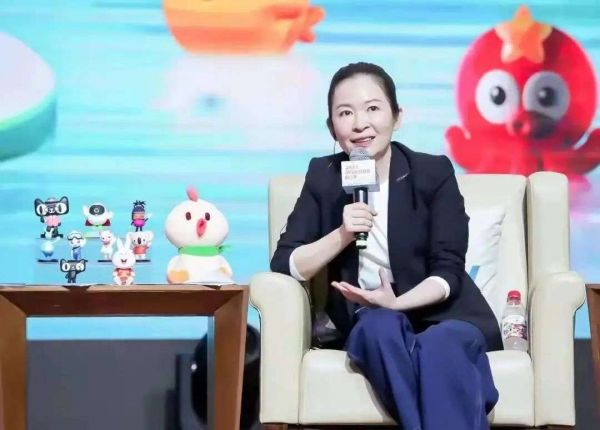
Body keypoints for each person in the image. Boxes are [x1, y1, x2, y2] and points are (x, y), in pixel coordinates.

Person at [270, 62, 502, 429]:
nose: (360, 124)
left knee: (442, 346)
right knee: (379, 328)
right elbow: (285, 263)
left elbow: (448, 272)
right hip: (372, 318)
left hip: (445, 314)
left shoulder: (432, 173)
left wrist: (397, 302)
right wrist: (342, 234)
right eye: (345, 113)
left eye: (373, 108)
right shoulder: (323, 177)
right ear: (331, 127)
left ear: (397, 117)